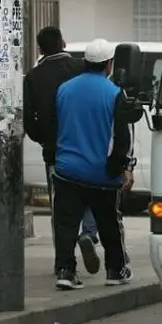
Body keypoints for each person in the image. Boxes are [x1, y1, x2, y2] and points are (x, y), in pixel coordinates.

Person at [52, 39, 138, 290]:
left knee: (66, 224)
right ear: (108, 64)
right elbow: (123, 136)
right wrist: (126, 168)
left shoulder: (65, 89)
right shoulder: (114, 94)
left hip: (67, 170)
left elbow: (57, 124)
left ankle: (66, 271)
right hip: (102, 173)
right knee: (110, 223)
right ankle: (116, 269)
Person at [23, 26, 102, 276]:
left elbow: (28, 120)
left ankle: (64, 264)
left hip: (55, 150)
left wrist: (44, 138)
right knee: (90, 193)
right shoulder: (81, 68)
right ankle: (88, 233)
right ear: (63, 43)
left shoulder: (34, 77)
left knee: (61, 207)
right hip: (87, 144)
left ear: (40, 49)